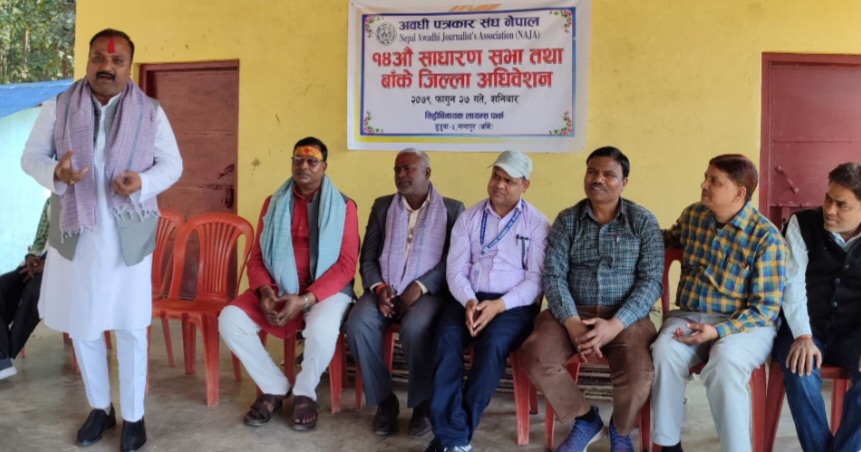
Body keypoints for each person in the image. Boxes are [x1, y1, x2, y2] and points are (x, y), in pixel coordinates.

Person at [20, 29, 183, 452]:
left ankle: (134, 416)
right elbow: (31, 156)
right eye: (98, 58)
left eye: (116, 60)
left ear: (129, 66)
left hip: (127, 237)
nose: (106, 66)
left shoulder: (150, 112)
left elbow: (172, 165)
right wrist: (56, 173)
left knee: (130, 326)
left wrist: (142, 181)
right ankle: (99, 408)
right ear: (89, 60)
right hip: (76, 235)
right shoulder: (59, 106)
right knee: (83, 324)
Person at [520, 147, 664, 452]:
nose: (598, 179)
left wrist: (615, 324)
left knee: (640, 372)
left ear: (624, 182)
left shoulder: (642, 221)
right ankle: (585, 419)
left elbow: (652, 281)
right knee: (535, 355)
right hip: (572, 312)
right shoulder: (567, 220)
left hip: (627, 316)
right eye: (592, 172)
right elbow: (553, 276)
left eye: (609, 174)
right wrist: (571, 321)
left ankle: (620, 430)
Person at [218, 136, 359, 432]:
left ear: (324, 167)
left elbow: (346, 266)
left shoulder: (345, 206)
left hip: (325, 291)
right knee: (230, 319)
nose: (303, 166)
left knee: (322, 330)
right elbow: (257, 258)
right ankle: (274, 386)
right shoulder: (274, 203)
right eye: (298, 159)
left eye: (312, 161)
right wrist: (266, 292)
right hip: (278, 286)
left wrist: (305, 299)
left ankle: (305, 392)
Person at [651, 154, 786, 452]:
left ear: (739, 193)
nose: (704, 185)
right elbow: (666, 239)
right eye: (706, 177)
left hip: (745, 325)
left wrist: (718, 332)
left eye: (714, 181)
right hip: (689, 316)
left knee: (725, 361)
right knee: (664, 352)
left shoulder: (766, 238)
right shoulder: (694, 216)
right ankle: (669, 446)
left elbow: (765, 309)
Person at [424, 150, 550, 452]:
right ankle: (455, 438)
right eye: (496, 176)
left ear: (525, 186)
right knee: (444, 339)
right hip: (467, 298)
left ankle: (452, 437)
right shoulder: (469, 218)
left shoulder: (537, 224)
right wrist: (469, 301)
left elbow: (536, 280)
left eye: (509, 180)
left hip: (513, 306)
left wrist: (499, 306)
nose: (499, 185)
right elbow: (455, 270)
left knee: (491, 347)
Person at [345, 149, 464, 438]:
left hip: (429, 292)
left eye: (408, 169)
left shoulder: (452, 209)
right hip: (385, 287)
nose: (401, 175)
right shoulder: (383, 206)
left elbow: (454, 260)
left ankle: (423, 403)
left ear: (427, 173)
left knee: (416, 326)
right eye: (397, 170)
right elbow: (368, 257)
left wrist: (420, 286)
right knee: (357, 323)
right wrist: (379, 288)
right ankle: (385, 401)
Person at [772, 162, 861, 452]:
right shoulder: (802, 224)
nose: (829, 210)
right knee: (800, 369)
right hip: (806, 327)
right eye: (828, 198)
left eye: (842, 205)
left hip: (854, 333)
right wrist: (803, 335)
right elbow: (792, 283)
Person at [0, 198, 50, 380]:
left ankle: (4, 357)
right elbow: (40, 240)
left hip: (67, 270)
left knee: (34, 291)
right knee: (3, 286)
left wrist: (49, 266)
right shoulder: (51, 201)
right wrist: (32, 256)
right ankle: (2, 355)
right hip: (42, 261)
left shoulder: (86, 201)